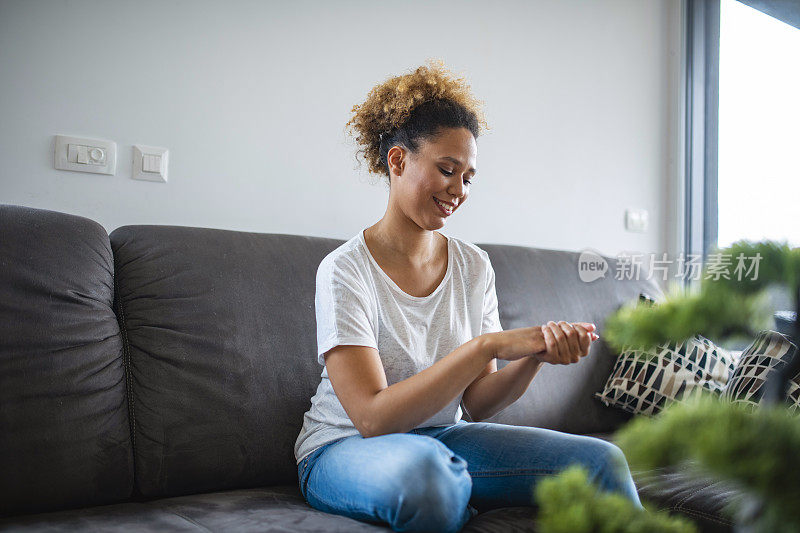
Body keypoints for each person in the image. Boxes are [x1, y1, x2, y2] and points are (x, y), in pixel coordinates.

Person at [294, 59, 642, 533]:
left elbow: (477, 402)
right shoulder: (345, 270)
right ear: (398, 161)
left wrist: (536, 356)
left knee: (603, 461)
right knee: (433, 481)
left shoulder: (473, 265)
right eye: (446, 169)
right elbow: (373, 418)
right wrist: (488, 346)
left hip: (443, 439)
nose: (459, 190)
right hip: (344, 447)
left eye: (469, 177)